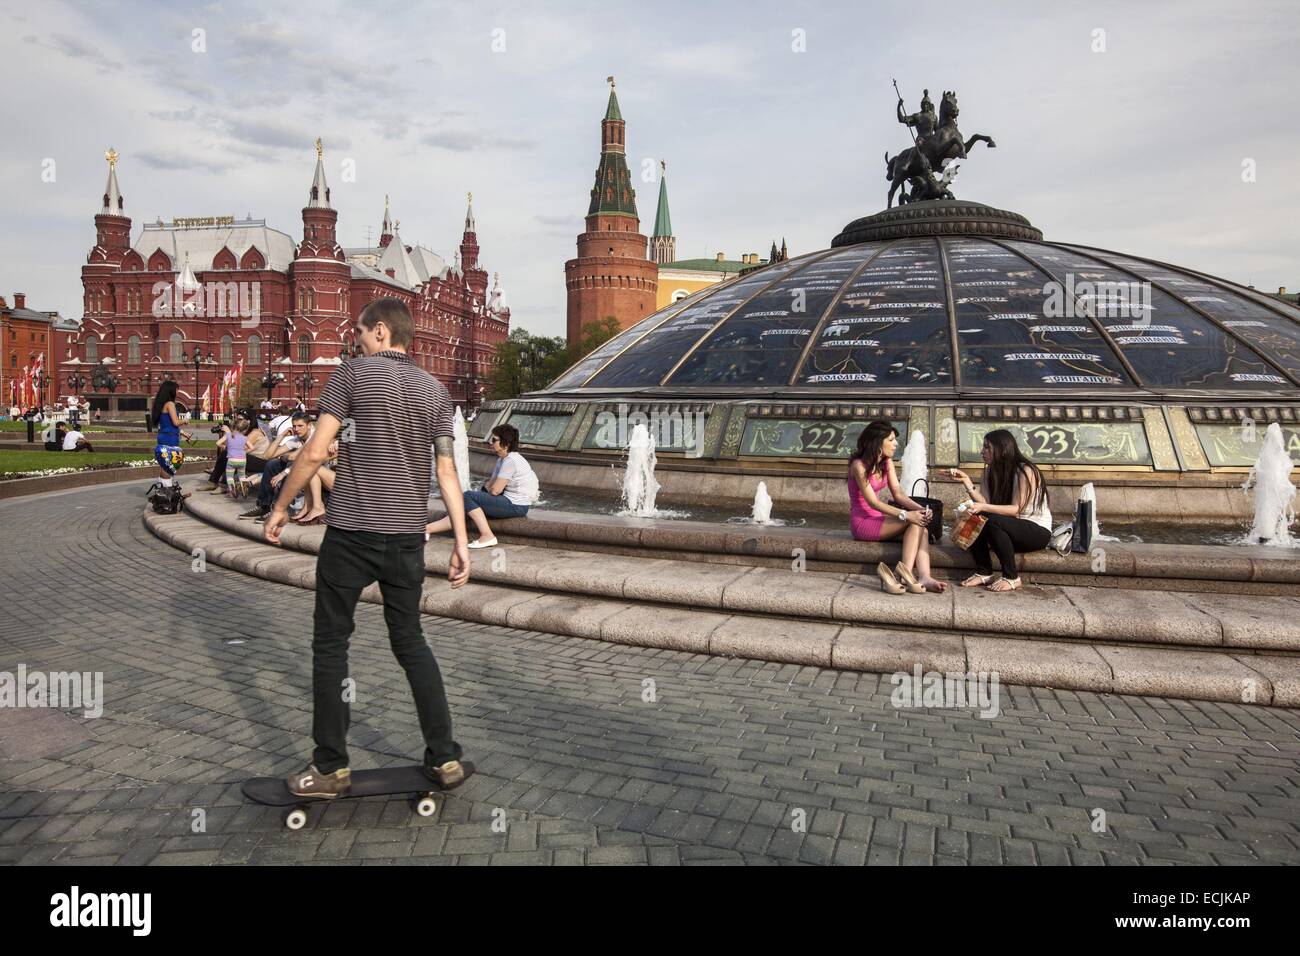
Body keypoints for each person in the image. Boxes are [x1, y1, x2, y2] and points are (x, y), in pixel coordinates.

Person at [263, 296, 473, 798]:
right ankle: (444, 757)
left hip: (352, 533)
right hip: (405, 537)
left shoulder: (352, 376)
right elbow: (447, 472)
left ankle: (330, 766)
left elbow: (314, 450)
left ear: (381, 332)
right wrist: (461, 541)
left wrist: (280, 506)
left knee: (331, 645)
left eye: (359, 330)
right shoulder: (435, 391)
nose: (354, 338)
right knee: (411, 642)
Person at [848, 420, 946, 594]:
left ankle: (924, 576)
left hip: (879, 519)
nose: (896, 444)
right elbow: (873, 502)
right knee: (915, 522)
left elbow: (899, 494)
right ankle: (904, 574)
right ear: (878, 442)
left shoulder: (886, 462)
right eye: (891, 440)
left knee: (921, 527)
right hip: (863, 522)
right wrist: (907, 515)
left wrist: (921, 509)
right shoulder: (859, 466)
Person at [949, 428, 1052, 592]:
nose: (982, 451)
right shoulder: (990, 471)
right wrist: (967, 482)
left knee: (992, 520)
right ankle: (984, 572)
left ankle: (1012, 577)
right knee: (974, 515)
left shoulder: (1026, 471)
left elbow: (1015, 510)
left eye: (987, 447)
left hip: (1035, 531)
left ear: (1003, 449)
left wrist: (982, 507)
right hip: (1008, 531)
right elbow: (986, 503)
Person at [425, 423, 537, 548]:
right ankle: (427, 529)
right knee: (465, 506)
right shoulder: (503, 459)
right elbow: (490, 485)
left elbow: (495, 490)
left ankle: (487, 535)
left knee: (467, 496)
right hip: (511, 502)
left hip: (516, 505)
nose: (491, 442)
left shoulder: (511, 461)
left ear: (506, 444)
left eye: (494, 440)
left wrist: (479, 496)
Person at [239, 411, 312, 520]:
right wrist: (282, 435)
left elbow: (297, 459)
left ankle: (278, 509)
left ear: (309, 425)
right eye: (294, 426)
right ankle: (263, 506)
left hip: (314, 471)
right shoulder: (297, 439)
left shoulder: (314, 437)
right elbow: (268, 455)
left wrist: (283, 472)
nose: (296, 429)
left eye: (300, 426)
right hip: (298, 468)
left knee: (286, 468)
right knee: (272, 464)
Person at [150, 381, 193, 487]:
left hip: (165, 436)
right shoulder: (170, 404)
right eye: (177, 389)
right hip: (169, 438)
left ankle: (161, 489)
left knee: (164, 465)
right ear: (171, 390)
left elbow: (167, 424)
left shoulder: (163, 404)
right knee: (168, 466)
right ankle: (167, 489)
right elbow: (176, 422)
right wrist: (186, 419)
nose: (178, 391)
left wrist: (182, 432)